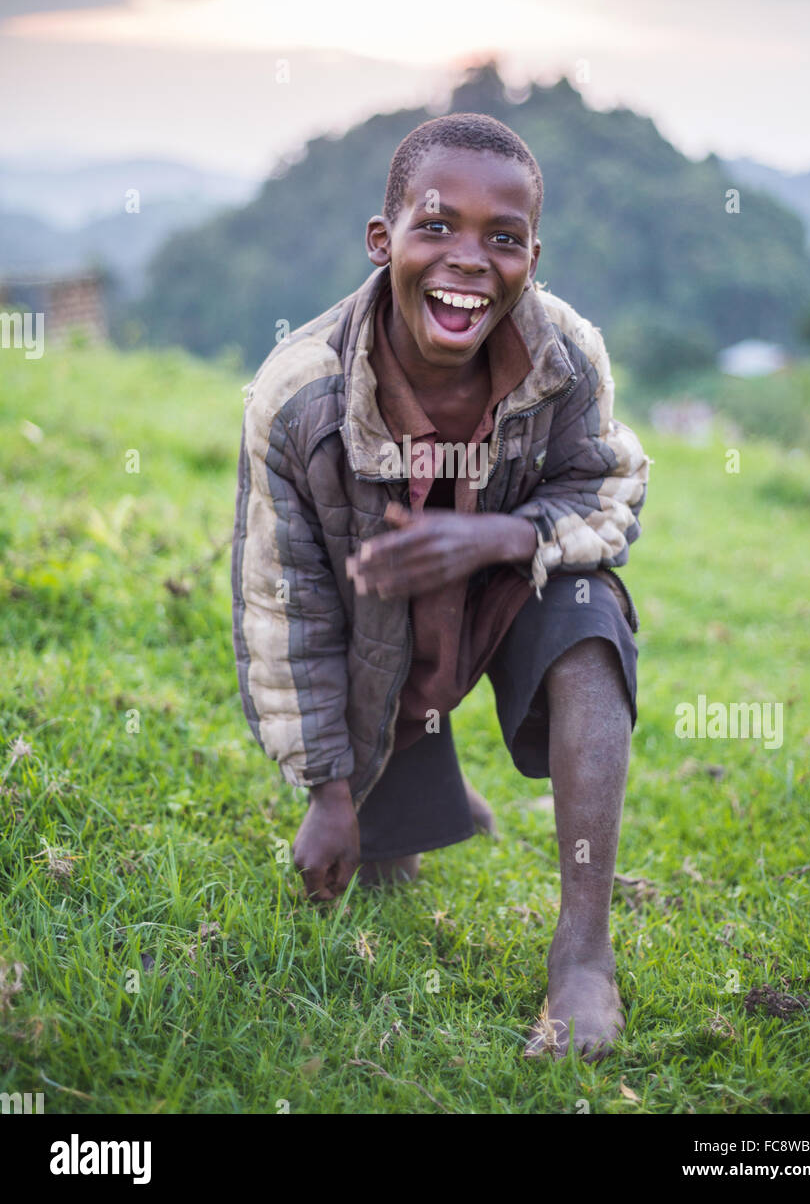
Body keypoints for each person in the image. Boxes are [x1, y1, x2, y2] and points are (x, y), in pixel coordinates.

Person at [231, 112, 649, 1059]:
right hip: (376, 640)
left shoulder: (563, 357)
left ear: (531, 258)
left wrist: (495, 535)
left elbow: (610, 488)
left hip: (509, 598)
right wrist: (327, 792)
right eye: (436, 227)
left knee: (590, 617)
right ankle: (422, 794)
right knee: (382, 875)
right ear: (383, 243)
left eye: (501, 239)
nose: (469, 259)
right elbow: (281, 608)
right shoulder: (298, 395)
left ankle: (582, 952)